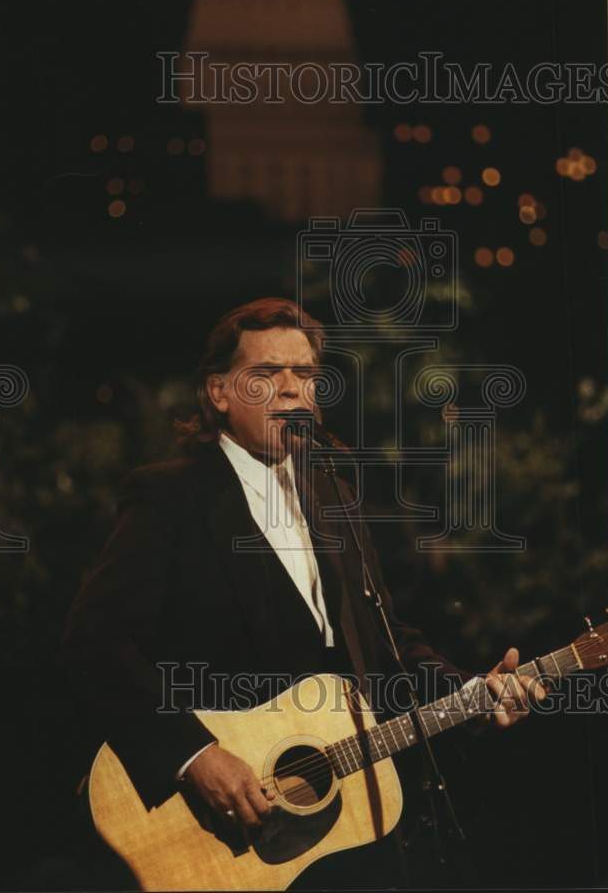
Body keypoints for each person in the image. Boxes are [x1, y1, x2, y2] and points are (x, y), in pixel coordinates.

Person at [62, 297, 543, 889]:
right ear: (219, 393)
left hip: (342, 833)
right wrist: (195, 757)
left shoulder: (333, 490)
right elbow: (95, 639)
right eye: (266, 375)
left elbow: (386, 640)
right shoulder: (171, 497)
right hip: (216, 833)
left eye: (305, 375)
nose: (292, 390)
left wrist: (472, 694)